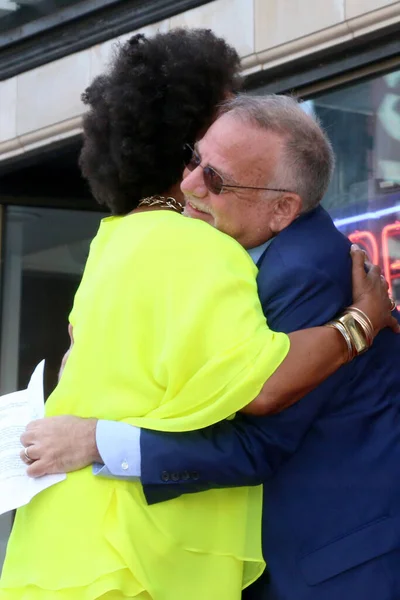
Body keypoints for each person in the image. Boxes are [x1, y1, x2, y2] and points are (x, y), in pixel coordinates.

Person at [5, 41, 395, 600]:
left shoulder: (122, 239)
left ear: (283, 206)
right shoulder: (189, 244)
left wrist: (95, 439)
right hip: (135, 550)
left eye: (216, 177)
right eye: (195, 158)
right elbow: (255, 388)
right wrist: (362, 320)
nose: (193, 185)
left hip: (95, 543)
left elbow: (254, 430)